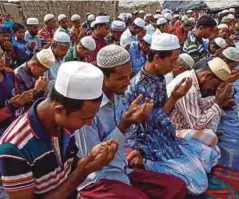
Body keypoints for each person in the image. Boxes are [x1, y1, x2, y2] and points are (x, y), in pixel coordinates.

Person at [76, 44, 187, 199]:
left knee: (177, 187)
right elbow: (92, 158)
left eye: (129, 76)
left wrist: (136, 123)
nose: (128, 83)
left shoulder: (119, 97)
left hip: (122, 168)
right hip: (98, 178)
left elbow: (129, 133)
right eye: (121, 78)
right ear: (102, 77)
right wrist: (125, 124)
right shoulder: (87, 109)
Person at [0, 61, 118, 199]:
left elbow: (65, 167)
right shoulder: (13, 148)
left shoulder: (65, 125)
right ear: (59, 110)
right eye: (84, 118)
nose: (89, 124)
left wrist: (89, 160)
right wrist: (82, 172)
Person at [123, 33, 220, 195]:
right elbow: (148, 124)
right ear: (156, 58)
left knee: (212, 152)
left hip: (167, 135)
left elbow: (162, 115)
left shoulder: (159, 77)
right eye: (172, 60)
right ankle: (145, 164)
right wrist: (175, 98)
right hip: (150, 142)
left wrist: (175, 97)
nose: (175, 66)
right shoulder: (141, 86)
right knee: (199, 185)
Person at [167, 57, 232, 147]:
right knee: (211, 137)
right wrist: (218, 103)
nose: (213, 88)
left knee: (215, 111)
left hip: (184, 124)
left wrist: (217, 99)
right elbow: (197, 125)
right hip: (170, 130)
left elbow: (198, 104)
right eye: (215, 85)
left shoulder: (190, 76)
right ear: (208, 76)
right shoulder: (188, 86)